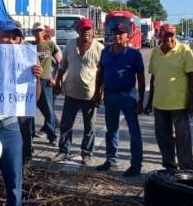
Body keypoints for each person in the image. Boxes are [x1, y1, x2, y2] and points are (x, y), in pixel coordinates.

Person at [0, 19, 43, 206]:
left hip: (10, 128)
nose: (11, 41)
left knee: (14, 184)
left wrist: (36, 79)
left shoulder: (27, 60)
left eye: (15, 37)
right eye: (6, 36)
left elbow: (33, 99)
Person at [94, 23, 146, 176]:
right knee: (111, 130)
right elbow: (101, 73)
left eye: (122, 33)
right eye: (116, 32)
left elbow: (141, 78)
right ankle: (111, 159)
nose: (118, 36)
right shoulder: (106, 52)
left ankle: (136, 164)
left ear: (128, 37)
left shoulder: (134, 54)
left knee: (133, 131)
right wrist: (98, 91)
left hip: (127, 96)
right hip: (110, 95)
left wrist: (141, 100)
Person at [51, 18, 104, 166]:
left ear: (93, 31)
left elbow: (103, 71)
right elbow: (63, 65)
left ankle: (87, 154)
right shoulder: (70, 44)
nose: (85, 32)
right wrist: (57, 80)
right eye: (82, 29)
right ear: (77, 31)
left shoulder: (99, 48)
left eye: (88, 29)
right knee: (66, 125)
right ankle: (63, 151)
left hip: (90, 94)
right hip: (71, 92)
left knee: (89, 127)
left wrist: (100, 91)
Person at [144, 24, 193, 171]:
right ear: (159, 36)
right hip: (160, 104)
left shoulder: (184, 50)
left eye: (172, 35)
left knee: (183, 139)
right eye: (166, 35)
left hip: (179, 104)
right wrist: (149, 102)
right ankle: (170, 167)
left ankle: (187, 170)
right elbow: (154, 78)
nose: (169, 38)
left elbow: (192, 76)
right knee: (163, 137)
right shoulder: (156, 52)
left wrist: (191, 101)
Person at [30, 22, 61, 145]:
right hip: (32, 82)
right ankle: (30, 135)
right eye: (36, 31)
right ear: (33, 33)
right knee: (30, 110)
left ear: (44, 32)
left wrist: (55, 78)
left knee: (49, 110)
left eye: (40, 30)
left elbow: (60, 62)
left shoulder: (50, 45)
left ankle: (52, 136)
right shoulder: (30, 46)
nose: (38, 33)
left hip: (46, 81)